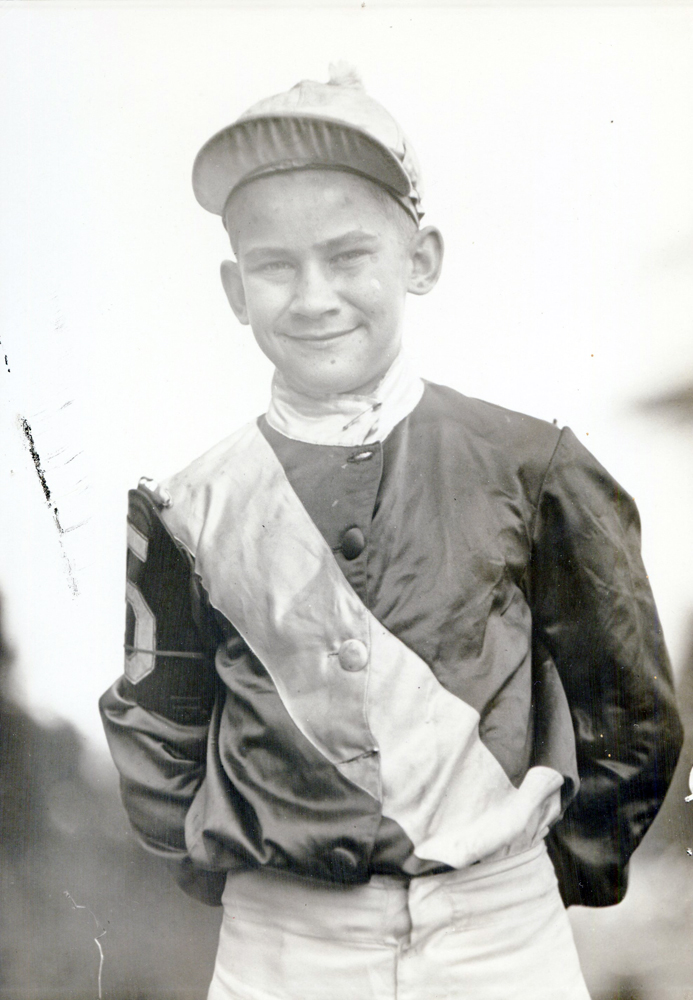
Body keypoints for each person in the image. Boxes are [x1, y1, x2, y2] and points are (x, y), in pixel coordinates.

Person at [99, 66, 683, 1000]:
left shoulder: (532, 465)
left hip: (500, 934)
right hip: (283, 942)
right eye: (274, 265)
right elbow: (156, 725)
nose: (314, 296)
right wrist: (263, 878)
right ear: (233, 288)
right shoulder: (185, 504)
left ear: (421, 259)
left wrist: (525, 883)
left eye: (348, 255)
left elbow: (630, 713)